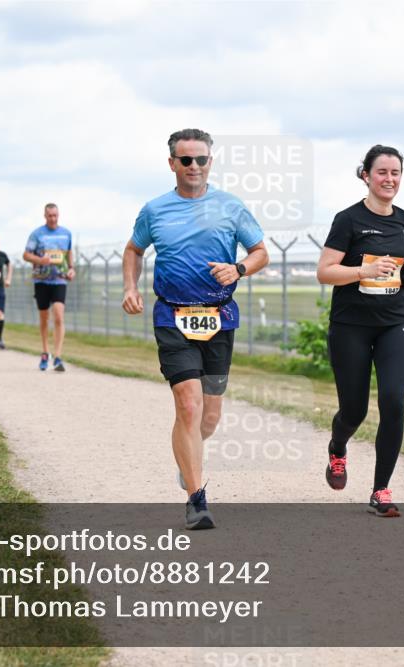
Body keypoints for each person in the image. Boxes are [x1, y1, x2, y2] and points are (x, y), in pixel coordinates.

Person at [121, 128, 269, 530]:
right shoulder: (155, 210)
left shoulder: (230, 206)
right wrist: (130, 286)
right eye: (185, 160)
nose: (194, 166)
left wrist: (237, 268)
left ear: (211, 162)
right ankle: (196, 497)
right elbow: (134, 249)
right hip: (173, 315)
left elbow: (260, 253)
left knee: (209, 416)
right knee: (188, 405)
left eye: (201, 159)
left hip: (218, 316)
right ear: (172, 163)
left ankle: (188, 463)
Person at [316, 145, 404, 518]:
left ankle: (381, 489)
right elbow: (325, 271)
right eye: (382, 172)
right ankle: (337, 446)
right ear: (365, 175)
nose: (389, 179)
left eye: (396, 172)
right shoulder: (348, 220)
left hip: (395, 322)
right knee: (354, 410)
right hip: (351, 326)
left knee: (394, 401)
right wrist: (362, 271)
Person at [23, 203, 74, 371]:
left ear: (58, 215)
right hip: (41, 280)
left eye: (55, 215)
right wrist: (40, 260)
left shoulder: (66, 233)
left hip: (59, 280)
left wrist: (72, 269)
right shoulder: (37, 234)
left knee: (59, 316)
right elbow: (26, 255)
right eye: (50, 216)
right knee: (44, 318)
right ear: (45, 216)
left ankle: (58, 356)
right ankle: (45, 352)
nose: (53, 218)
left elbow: (68, 254)